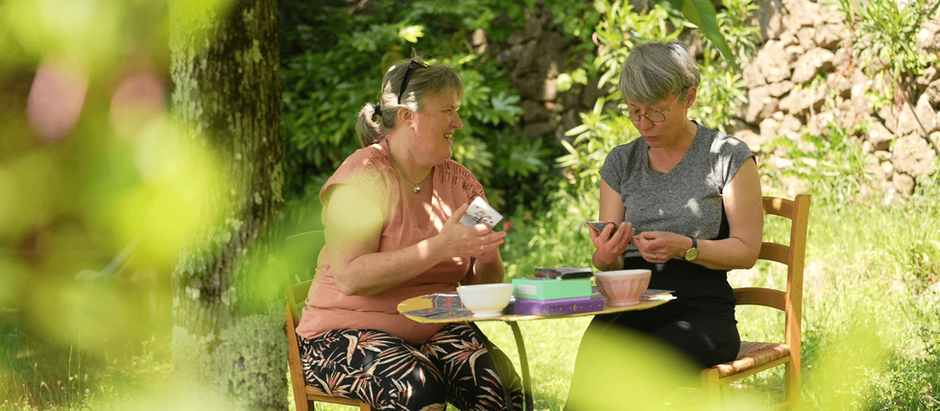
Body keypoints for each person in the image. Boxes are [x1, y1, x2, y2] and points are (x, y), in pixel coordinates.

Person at [295, 58, 522, 411]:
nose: (458, 123)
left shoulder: (462, 183)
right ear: (407, 116)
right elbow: (350, 276)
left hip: (434, 329)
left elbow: (483, 288)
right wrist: (440, 246)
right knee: (417, 389)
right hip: (342, 335)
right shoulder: (363, 177)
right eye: (447, 111)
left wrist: (486, 251)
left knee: (500, 387)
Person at [566, 42, 764, 408]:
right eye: (634, 112)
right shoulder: (621, 162)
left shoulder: (728, 156)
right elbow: (607, 262)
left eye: (655, 112)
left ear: (689, 97)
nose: (644, 124)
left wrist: (686, 246)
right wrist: (606, 255)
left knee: (633, 381)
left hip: (701, 312)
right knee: (592, 375)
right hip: (631, 307)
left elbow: (747, 251)